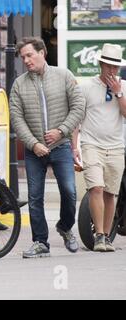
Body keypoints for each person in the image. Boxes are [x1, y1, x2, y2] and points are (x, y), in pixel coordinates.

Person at [9, 36, 85, 258]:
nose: (26, 60)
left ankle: (64, 226)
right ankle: (40, 242)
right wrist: (33, 144)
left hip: (61, 146)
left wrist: (61, 131)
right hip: (35, 151)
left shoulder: (64, 76)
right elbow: (17, 118)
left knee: (70, 192)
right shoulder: (19, 84)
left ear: (42, 53)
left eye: (30, 55)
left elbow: (79, 107)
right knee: (34, 197)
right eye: (23, 57)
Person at [72, 43, 126, 252]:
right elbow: (77, 119)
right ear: (101, 64)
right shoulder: (86, 87)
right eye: (109, 66)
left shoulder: (123, 86)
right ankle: (100, 236)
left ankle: (107, 235)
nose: (112, 71)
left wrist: (119, 93)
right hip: (91, 144)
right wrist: (74, 146)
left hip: (116, 146)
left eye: (116, 67)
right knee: (96, 187)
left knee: (110, 193)